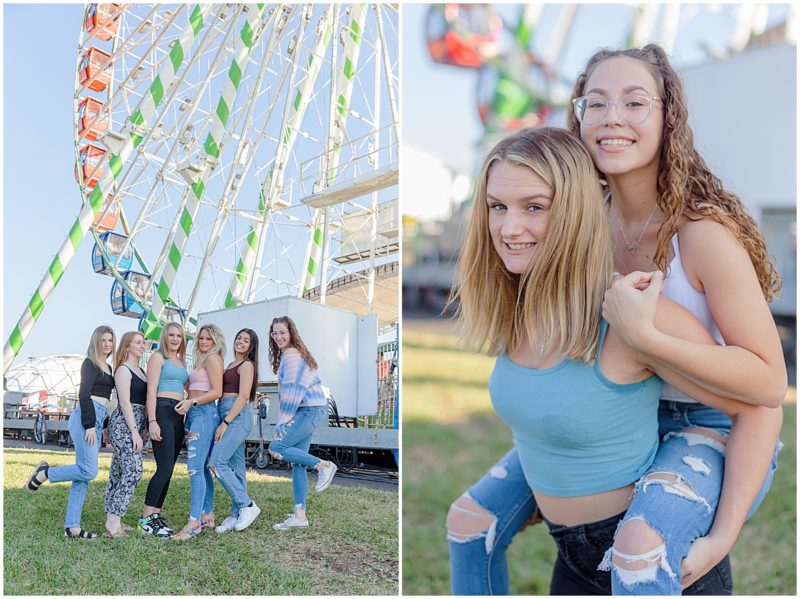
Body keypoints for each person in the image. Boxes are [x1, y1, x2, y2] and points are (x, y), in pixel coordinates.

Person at [447, 44, 785, 595]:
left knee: (638, 550)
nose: (612, 119)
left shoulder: (701, 236)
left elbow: (767, 388)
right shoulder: (580, 224)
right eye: (595, 103)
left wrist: (645, 335)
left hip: (715, 421)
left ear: (667, 117)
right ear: (577, 117)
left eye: (634, 102)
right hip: (629, 413)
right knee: (469, 521)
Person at [27, 325, 116, 540]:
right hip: (86, 417)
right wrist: (89, 425)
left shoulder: (109, 367)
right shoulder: (90, 364)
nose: (107, 344)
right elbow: (84, 395)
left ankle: (72, 527)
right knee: (89, 471)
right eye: (103, 340)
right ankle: (45, 474)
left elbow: (105, 400)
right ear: (96, 341)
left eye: (110, 340)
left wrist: (103, 427)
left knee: (82, 476)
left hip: (98, 417)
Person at [267, 316, 338, 531]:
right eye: (275, 333)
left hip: (308, 411)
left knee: (276, 447)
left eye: (282, 332)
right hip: (311, 410)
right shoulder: (294, 354)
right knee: (298, 463)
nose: (278, 337)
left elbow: (292, 393)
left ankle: (324, 465)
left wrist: (282, 423)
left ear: (291, 333)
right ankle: (300, 516)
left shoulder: (291, 356)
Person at [172, 324, 225, 540]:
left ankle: (194, 523)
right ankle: (207, 515)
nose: (204, 342)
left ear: (216, 342)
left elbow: (217, 392)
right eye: (201, 338)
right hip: (196, 414)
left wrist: (191, 401)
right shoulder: (201, 360)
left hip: (203, 413)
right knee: (201, 468)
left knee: (194, 468)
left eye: (208, 339)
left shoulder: (213, 358)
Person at [138, 322, 189, 537]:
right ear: (164, 337)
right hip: (162, 411)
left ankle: (155, 516)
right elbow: (151, 391)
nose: (175, 339)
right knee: (164, 468)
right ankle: (146, 519)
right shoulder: (158, 358)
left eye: (179, 335)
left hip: (178, 415)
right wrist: (152, 421)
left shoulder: (181, 362)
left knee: (170, 469)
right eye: (171, 335)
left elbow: (187, 389)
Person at [209, 328, 261, 533]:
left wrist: (226, 422)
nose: (240, 341)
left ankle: (247, 505)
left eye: (246, 340)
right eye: (238, 337)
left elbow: (243, 396)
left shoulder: (247, 365)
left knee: (217, 463)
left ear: (251, 345)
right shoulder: (230, 364)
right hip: (226, 413)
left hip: (237, 417)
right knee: (237, 469)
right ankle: (237, 513)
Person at [104, 331, 147, 537]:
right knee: (134, 469)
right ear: (127, 346)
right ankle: (113, 519)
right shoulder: (123, 370)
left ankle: (113, 519)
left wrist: (144, 427)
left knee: (119, 471)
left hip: (136, 423)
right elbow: (124, 402)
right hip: (124, 424)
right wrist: (134, 432)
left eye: (143, 342)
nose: (143, 345)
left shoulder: (142, 371)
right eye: (138, 342)